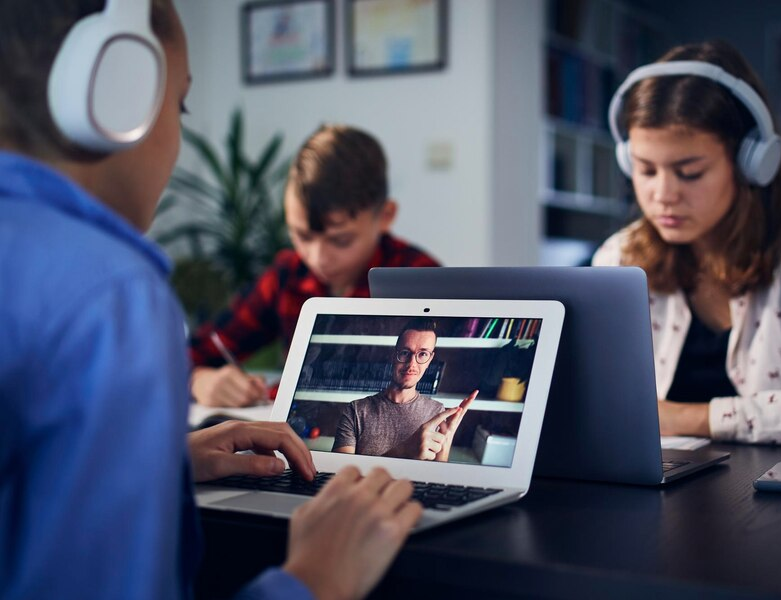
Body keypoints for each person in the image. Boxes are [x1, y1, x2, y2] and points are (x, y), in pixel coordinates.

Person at [0, 2, 421, 599]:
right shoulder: (110, 296)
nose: (318, 256)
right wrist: (314, 581)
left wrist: (159, 466)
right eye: (181, 103)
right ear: (116, 98)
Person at [592, 40, 781, 447]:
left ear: (751, 163)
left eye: (689, 172)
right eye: (646, 170)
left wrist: (692, 417)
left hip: (768, 497)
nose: (663, 194)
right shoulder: (619, 258)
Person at [189, 124, 441, 408]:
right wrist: (199, 380)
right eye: (302, 235)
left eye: (341, 240)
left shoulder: (420, 278)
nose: (318, 257)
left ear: (385, 216)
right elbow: (190, 353)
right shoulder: (287, 276)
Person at [333, 318, 477, 461]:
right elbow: (340, 475)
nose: (411, 364)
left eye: (423, 354)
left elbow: (436, 478)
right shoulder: (355, 410)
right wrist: (404, 451)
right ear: (393, 355)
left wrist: (446, 442)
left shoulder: (437, 413)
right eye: (405, 353)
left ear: (430, 360)